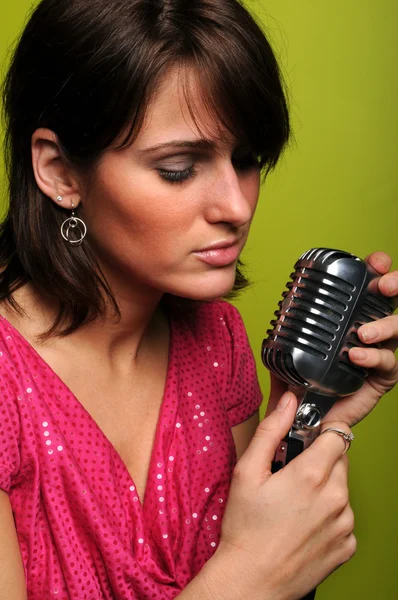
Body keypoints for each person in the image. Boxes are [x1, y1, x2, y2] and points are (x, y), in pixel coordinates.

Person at [0, 1, 397, 599]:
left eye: (246, 160)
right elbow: (251, 578)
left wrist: (309, 424)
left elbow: (276, 574)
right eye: (180, 169)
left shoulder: (219, 342)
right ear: (60, 172)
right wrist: (248, 578)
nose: (236, 207)